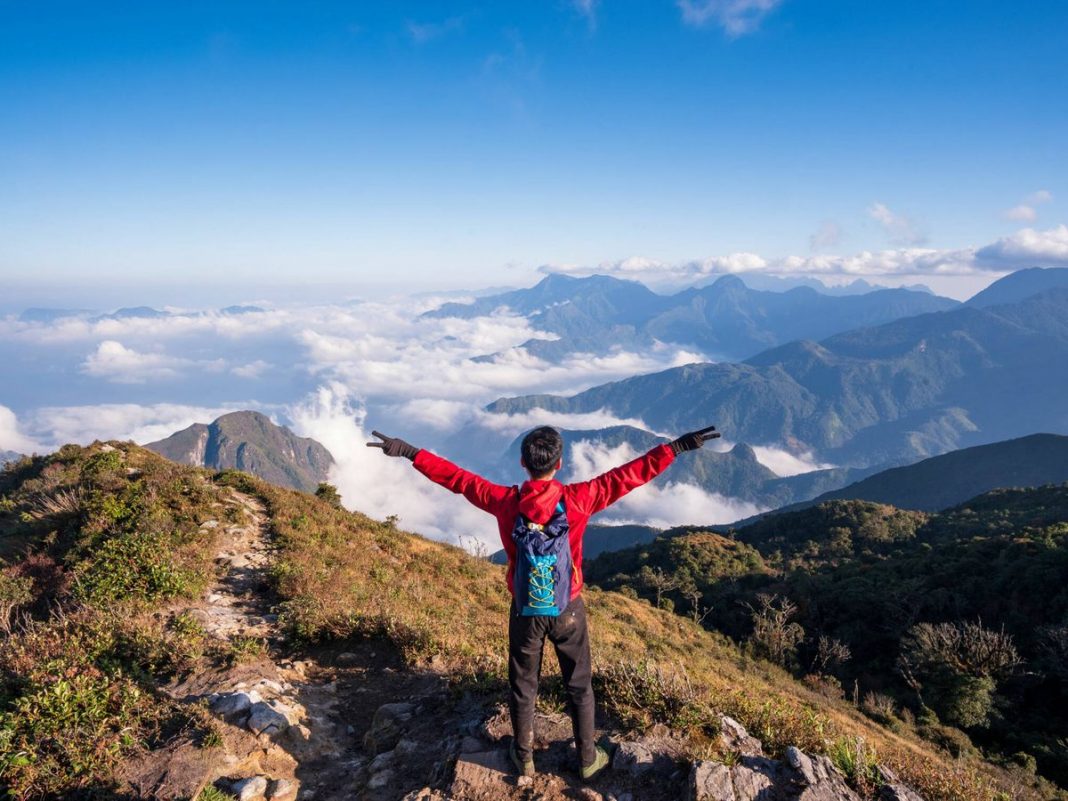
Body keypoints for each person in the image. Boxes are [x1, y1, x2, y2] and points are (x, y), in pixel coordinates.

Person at [367, 423, 720, 780]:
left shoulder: (505, 502)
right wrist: (675, 448)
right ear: (560, 462)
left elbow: (459, 480)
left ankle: (523, 757)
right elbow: (628, 476)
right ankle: (587, 759)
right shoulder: (581, 498)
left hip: (525, 609)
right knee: (579, 684)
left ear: (523, 462)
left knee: (524, 685)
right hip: (568, 607)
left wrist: (410, 452)